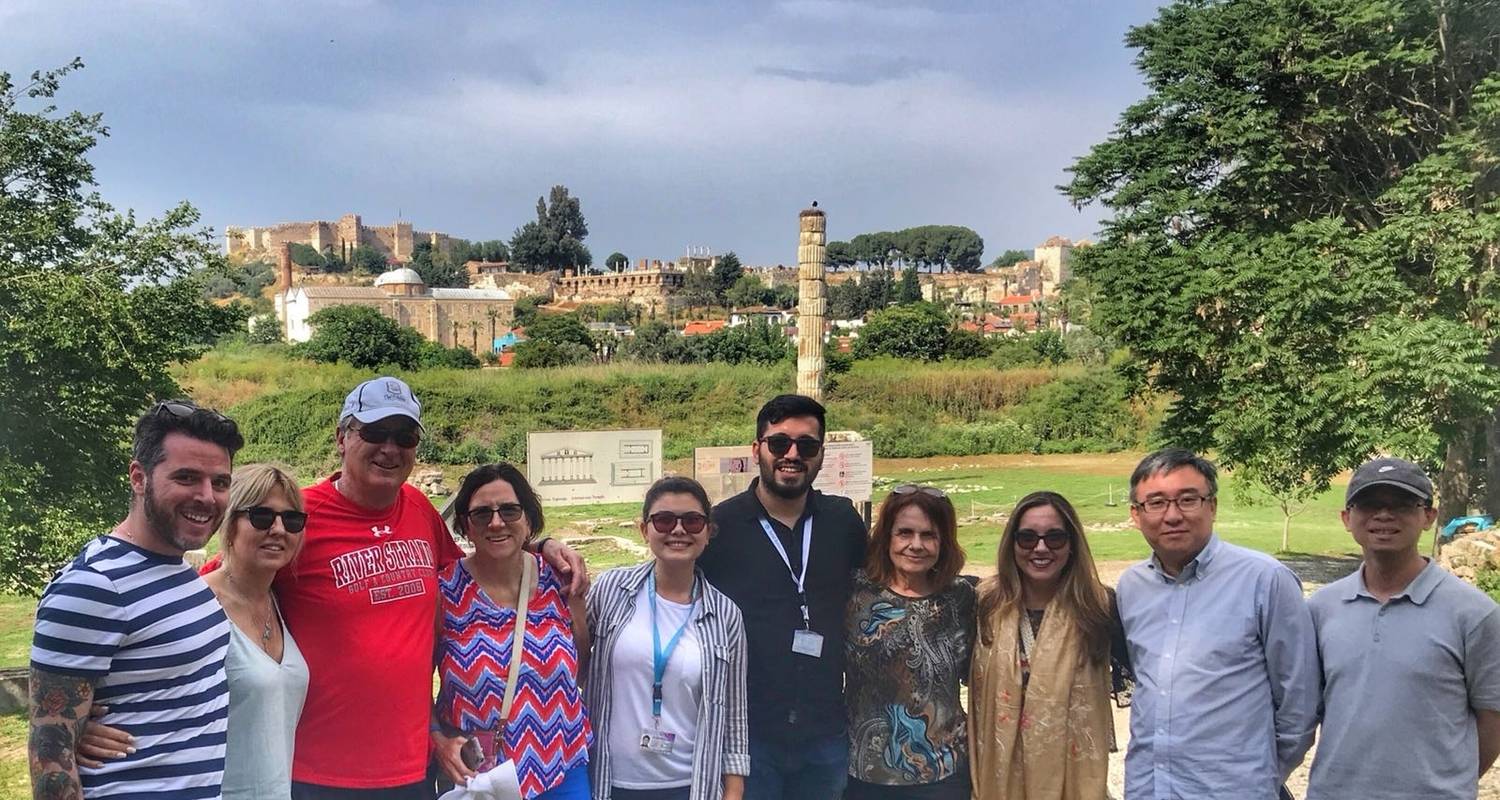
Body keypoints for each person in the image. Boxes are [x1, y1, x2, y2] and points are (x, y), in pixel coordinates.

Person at [246, 376, 586, 800]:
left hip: (413, 767)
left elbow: (482, 556)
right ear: (341, 437)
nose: (390, 448)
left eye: (404, 436)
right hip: (321, 770)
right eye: (375, 432)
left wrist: (539, 545)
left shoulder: (419, 508)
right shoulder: (299, 515)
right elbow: (230, 582)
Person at [29, 400, 243, 799]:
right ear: (139, 478)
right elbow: (50, 757)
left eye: (220, 482)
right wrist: (68, 730)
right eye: (186, 478)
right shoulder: (93, 585)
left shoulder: (177, 568)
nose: (207, 497)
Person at [76, 463, 313, 800]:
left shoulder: (281, 601)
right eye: (261, 517)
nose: (278, 529)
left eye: (292, 520)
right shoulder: (195, 602)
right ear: (229, 522)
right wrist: (76, 724)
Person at [1116, 448, 1319, 799]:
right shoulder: (1132, 587)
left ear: (1212, 506)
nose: (1173, 515)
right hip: (1149, 788)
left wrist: (1259, 776)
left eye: (1188, 499)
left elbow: (1299, 702)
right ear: (1136, 514)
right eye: (1156, 503)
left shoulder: (1265, 580)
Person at [696, 394, 868, 800]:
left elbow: (884, 586)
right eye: (779, 443)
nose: (792, 454)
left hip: (825, 730)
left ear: (821, 454)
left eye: (806, 445)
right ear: (757, 449)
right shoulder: (720, 527)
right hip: (749, 733)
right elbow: (672, 581)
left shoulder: (843, 521)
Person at [1306, 457, 1500, 800]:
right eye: (1369, 504)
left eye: (1402, 504)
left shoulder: (1474, 613)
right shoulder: (1321, 608)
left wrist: (1448, 784)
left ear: (1429, 516)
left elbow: (1493, 717)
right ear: (1347, 518)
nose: (1384, 515)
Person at [430, 463, 592, 800]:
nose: (496, 522)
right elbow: (415, 681)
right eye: (481, 514)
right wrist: (436, 738)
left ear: (529, 519)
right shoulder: (444, 592)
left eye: (509, 510)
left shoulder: (560, 580)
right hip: (479, 780)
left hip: (561, 767)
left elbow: (582, 666)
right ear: (465, 526)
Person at [584, 476, 749, 800]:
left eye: (692, 521)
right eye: (663, 520)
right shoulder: (611, 590)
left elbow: (734, 713)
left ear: (707, 532)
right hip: (609, 782)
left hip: (690, 785)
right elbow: (571, 658)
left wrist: (733, 791)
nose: (678, 530)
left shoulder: (726, 614)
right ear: (644, 530)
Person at [969, 490, 1127, 800]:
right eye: (1027, 538)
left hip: (1073, 782)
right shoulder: (983, 603)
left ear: (1072, 544)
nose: (1040, 548)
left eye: (1054, 538)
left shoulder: (1100, 607)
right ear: (1012, 543)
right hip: (997, 781)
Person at [844, 484, 975, 800]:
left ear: (944, 542)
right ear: (886, 537)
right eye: (904, 533)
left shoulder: (962, 597)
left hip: (942, 774)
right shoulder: (855, 592)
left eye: (928, 535)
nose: (916, 545)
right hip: (864, 772)